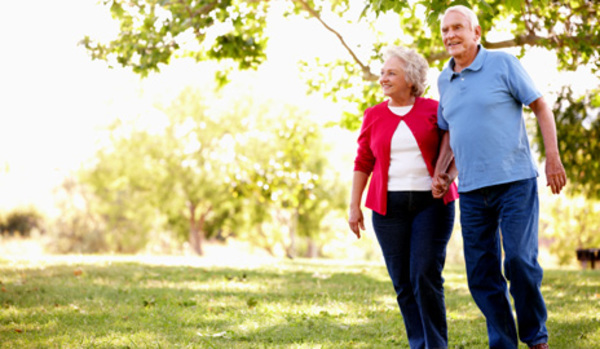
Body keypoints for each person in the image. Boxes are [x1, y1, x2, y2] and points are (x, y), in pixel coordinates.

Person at [432, 5, 568, 349]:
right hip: (473, 191)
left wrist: (552, 157)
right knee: (480, 274)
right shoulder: (443, 79)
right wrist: (443, 172)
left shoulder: (503, 64)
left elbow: (540, 106)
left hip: (514, 182)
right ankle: (503, 343)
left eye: (457, 28)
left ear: (476, 33)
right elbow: (450, 132)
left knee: (520, 262)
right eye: (445, 30)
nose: (450, 35)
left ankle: (536, 338)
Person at [349, 46, 459, 349]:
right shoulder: (373, 115)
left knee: (424, 273)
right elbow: (363, 162)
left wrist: (446, 176)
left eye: (390, 73)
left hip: (432, 205)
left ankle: (436, 345)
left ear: (410, 79)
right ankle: (418, 344)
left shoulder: (434, 109)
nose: (382, 78)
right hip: (388, 210)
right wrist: (353, 206)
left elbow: (455, 144)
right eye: (382, 72)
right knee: (402, 281)